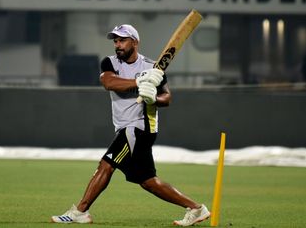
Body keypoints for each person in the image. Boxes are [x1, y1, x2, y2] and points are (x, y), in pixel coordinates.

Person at [51, 24, 210, 226]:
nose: (118, 45)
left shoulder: (153, 67)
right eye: (115, 41)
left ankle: (80, 211)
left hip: (140, 127)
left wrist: (153, 99)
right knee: (148, 181)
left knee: (106, 165)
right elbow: (109, 82)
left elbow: (167, 97)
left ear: (134, 42)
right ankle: (197, 209)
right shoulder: (109, 62)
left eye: (122, 40)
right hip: (125, 127)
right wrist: (139, 82)